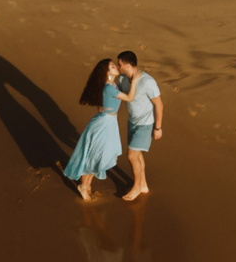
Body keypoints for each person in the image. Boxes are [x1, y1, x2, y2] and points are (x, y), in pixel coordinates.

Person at [59, 57, 125, 202]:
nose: (115, 67)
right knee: (93, 156)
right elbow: (130, 97)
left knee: (98, 156)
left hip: (110, 123)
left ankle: (86, 185)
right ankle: (84, 186)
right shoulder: (108, 86)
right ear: (106, 72)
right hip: (104, 124)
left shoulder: (113, 84)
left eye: (114, 65)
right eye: (112, 66)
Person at [116, 49, 164, 199]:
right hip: (132, 122)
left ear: (128, 65)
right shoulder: (123, 80)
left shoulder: (147, 82)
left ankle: (136, 187)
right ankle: (143, 184)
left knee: (132, 155)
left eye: (119, 64)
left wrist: (158, 127)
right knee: (137, 154)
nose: (118, 67)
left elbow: (159, 105)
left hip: (146, 124)